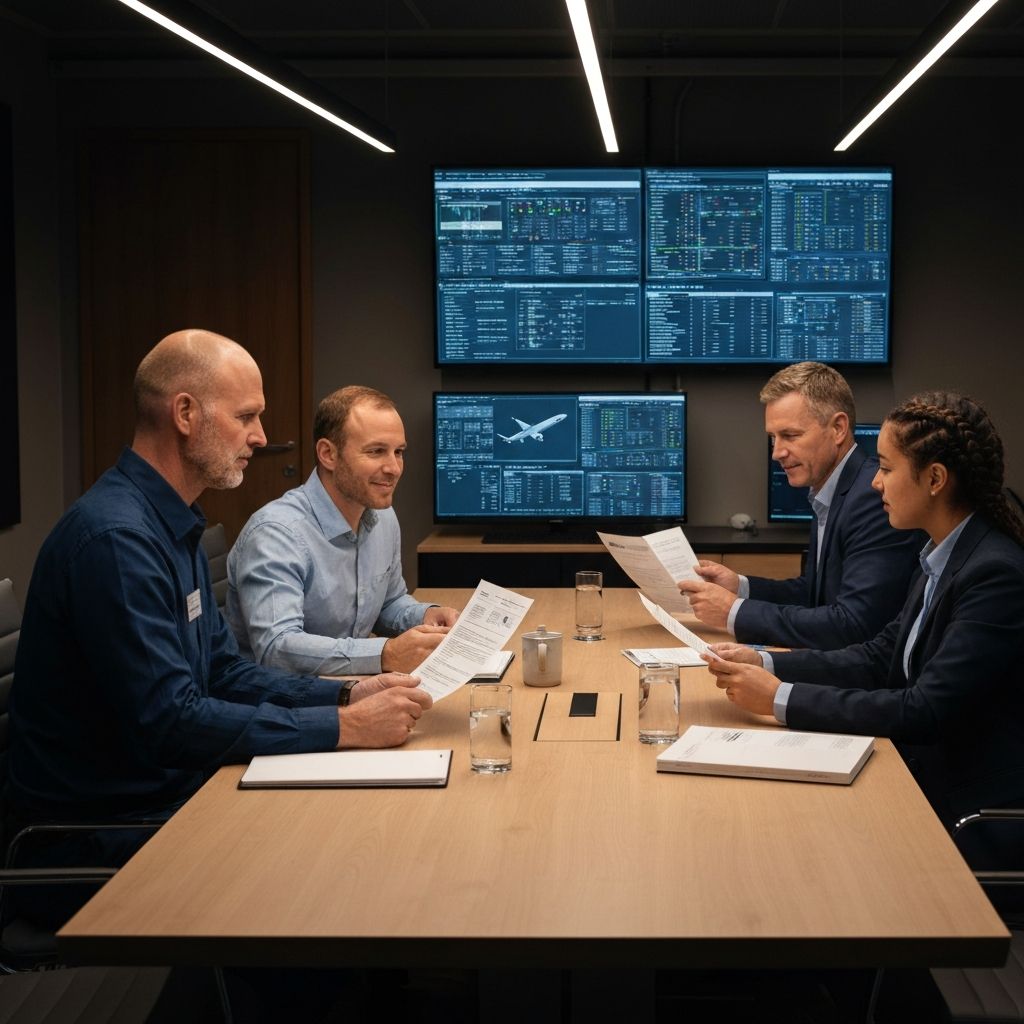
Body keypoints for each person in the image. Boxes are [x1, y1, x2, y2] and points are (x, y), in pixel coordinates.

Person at [7, 331, 432, 911]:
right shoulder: (118, 541)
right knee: (336, 866)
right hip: (105, 829)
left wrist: (347, 696)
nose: (261, 437)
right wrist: (347, 729)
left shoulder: (169, 525)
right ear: (185, 413)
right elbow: (171, 723)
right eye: (247, 416)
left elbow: (222, 671)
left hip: (167, 791)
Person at [705, 391, 1024, 825]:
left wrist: (778, 698)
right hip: (916, 771)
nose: (875, 482)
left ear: (934, 479)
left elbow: (923, 710)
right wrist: (765, 664)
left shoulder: (993, 574)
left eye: (888, 469)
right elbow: (880, 657)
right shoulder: (942, 553)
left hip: (960, 805)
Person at [679, 361, 922, 649]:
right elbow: (815, 594)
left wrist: (734, 612)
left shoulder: (871, 496)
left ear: (838, 429)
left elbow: (853, 624)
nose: (777, 453)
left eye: (790, 436)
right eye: (773, 438)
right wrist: (740, 586)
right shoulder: (834, 488)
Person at [226, 385, 459, 676]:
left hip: (351, 687)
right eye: (376, 451)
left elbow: (389, 603)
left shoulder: (382, 517)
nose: (394, 468)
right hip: (284, 705)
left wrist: (424, 615)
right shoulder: (276, 533)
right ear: (328, 454)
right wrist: (385, 654)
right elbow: (277, 648)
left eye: (398, 452)